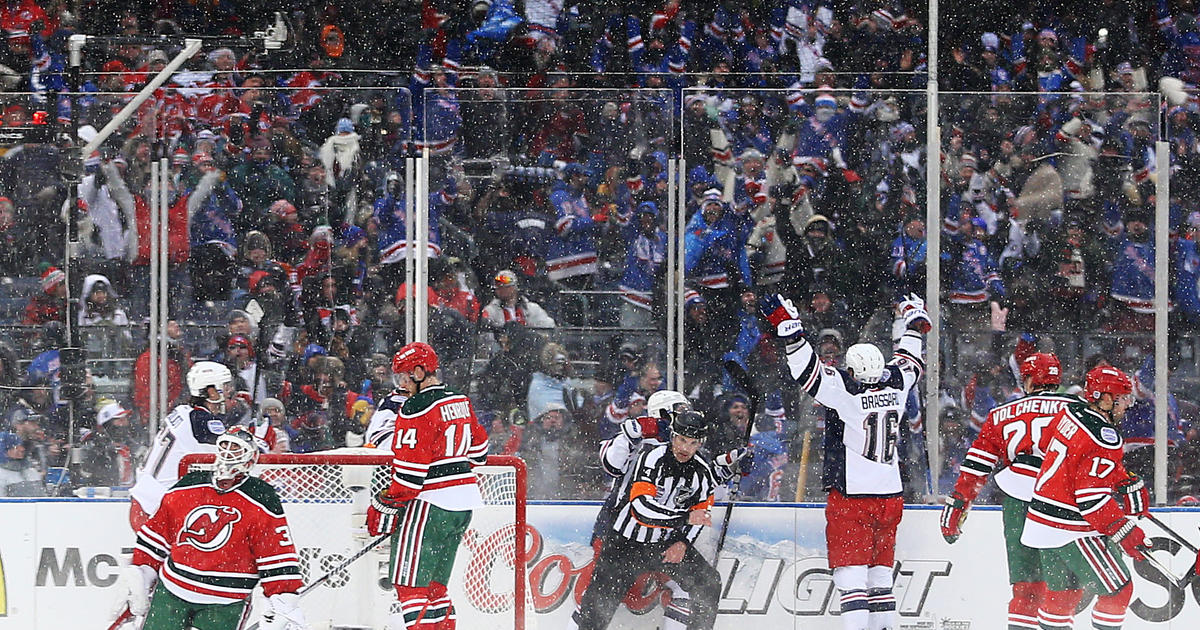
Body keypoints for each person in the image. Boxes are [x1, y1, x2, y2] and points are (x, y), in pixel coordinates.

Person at [761, 291, 929, 630]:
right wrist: (912, 322)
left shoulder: (847, 392)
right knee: (880, 579)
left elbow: (807, 372)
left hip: (854, 498)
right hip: (890, 495)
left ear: (852, 368)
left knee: (851, 580)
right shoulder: (896, 383)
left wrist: (791, 330)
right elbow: (911, 360)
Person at [112, 427, 307, 630]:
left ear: (251, 457)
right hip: (171, 591)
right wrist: (142, 572)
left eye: (236, 448)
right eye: (225, 446)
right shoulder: (190, 484)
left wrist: (283, 599)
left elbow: (276, 553)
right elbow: (157, 534)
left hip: (225, 601)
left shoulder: (261, 496)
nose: (229, 454)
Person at [940, 352, 1080, 629]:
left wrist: (958, 505)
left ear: (1027, 379)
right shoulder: (1078, 408)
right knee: (1063, 589)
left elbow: (976, 468)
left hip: (1018, 500)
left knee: (1026, 588)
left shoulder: (1001, 413)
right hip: (1061, 502)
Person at [366, 342, 489, 630]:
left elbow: (409, 477)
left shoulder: (415, 407)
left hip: (429, 506)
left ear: (420, 372)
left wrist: (383, 504)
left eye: (404, 377)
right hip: (463, 504)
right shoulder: (460, 400)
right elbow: (480, 452)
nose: (402, 384)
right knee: (436, 589)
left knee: (411, 588)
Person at [1021, 366, 1149, 630]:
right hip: (1070, 527)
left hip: (1040, 521)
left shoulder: (1069, 412)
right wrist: (1125, 532)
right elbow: (1092, 500)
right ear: (1104, 398)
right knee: (1118, 590)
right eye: (1122, 398)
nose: (1126, 405)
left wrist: (1118, 476)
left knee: (1062, 596)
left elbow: (1049, 445)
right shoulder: (1105, 438)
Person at [569, 410, 721, 630]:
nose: (685, 448)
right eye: (681, 439)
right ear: (673, 436)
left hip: (663, 545)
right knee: (595, 614)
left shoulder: (702, 472)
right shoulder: (652, 457)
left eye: (693, 442)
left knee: (709, 584)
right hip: (624, 544)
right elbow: (641, 509)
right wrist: (684, 517)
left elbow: (701, 516)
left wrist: (682, 543)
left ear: (700, 444)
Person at [128, 362, 232, 530]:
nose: (229, 392)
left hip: (145, 502)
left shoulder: (183, 411)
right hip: (158, 510)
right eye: (225, 386)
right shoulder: (204, 423)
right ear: (212, 392)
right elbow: (234, 454)